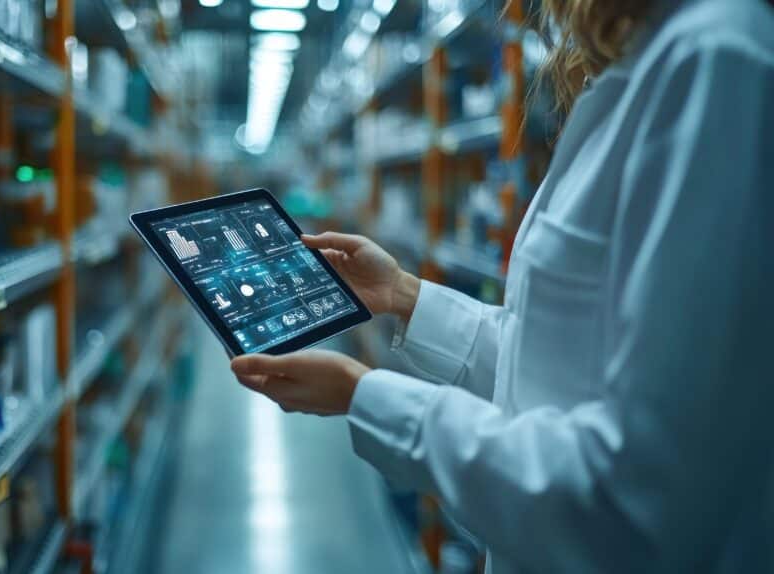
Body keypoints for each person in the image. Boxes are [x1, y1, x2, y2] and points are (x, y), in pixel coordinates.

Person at [230, 0, 774, 571]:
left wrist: (364, 395)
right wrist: (404, 296)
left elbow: (635, 502)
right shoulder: (648, 67)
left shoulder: (720, 61)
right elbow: (557, 372)